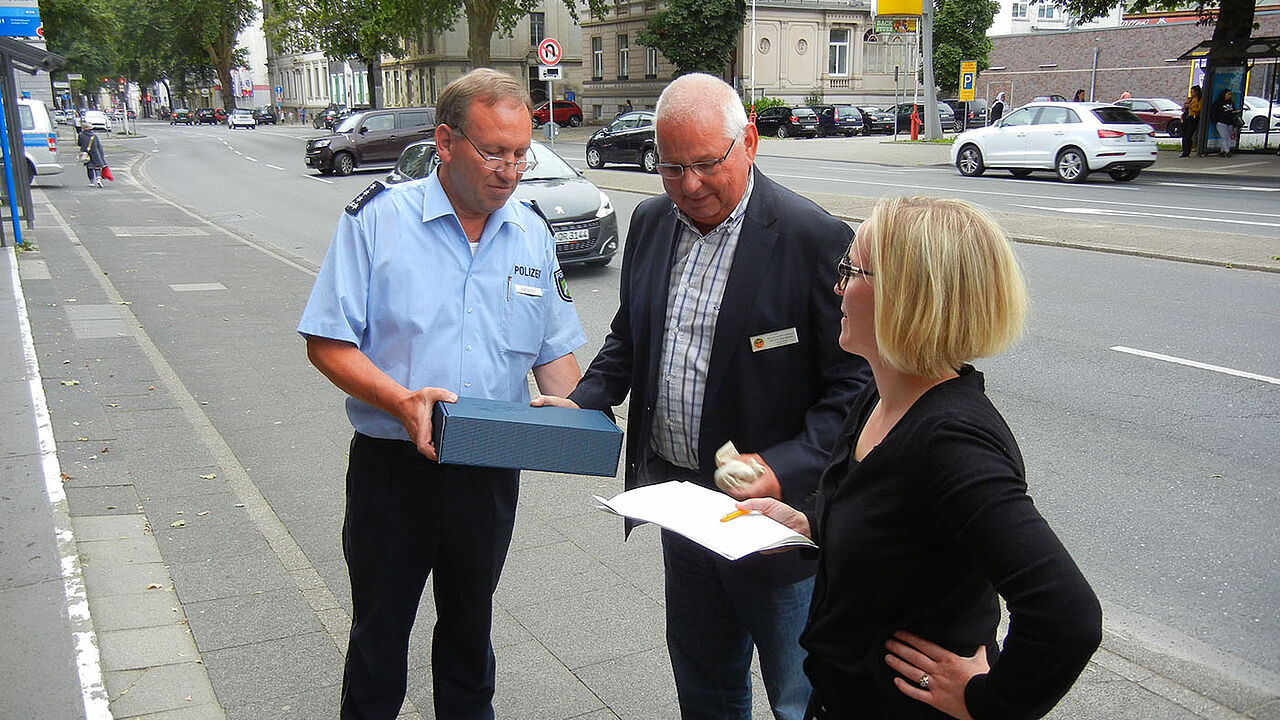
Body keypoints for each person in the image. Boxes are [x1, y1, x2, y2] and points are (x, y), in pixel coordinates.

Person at [534, 73, 871, 720]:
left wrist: (784, 469)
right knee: (706, 689)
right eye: (671, 167)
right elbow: (631, 337)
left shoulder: (814, 239)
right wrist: (585, 398)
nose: (689, 185)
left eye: (706, 164)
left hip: (778, 527)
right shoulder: (652, 221)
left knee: (802, 700)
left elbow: (854, 391)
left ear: (748, 142)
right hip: (684, 509)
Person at [736, 196, 1103, 720]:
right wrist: (806, 524)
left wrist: (986, 702)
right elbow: (896, 528)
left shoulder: (951, 441)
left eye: (852, 271)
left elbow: (1067, 615)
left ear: (908, 297)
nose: (837, 287)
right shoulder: (882, 396)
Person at [297, 68, 586, 720]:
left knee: (470, 637)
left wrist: (574, 417)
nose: (509, 171)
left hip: (488, 467)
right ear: (445, 142)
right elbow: (327, 341)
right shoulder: (378, 222)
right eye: (493, 152)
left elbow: (554, 355)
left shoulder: (531, 233)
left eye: (520, 154)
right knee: (378, 641)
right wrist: (400, 401)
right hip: (393, 471)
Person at [1211, 88, 1240, 157]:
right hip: (1221, 122)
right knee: (1224, 136)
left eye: (1230, 94)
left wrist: (1234, 113)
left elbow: (1233, 110)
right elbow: (1215, 113)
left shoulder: (1231, 102)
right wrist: (1216, 120)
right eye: (1228, 94)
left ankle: (1223, 150)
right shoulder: (1218, 103)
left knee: (1227, 137)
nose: (1229, 96)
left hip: (1229, 122)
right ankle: (1227, 151)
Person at [1180, 85, 1202, 157]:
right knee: (1184, 135)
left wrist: (1191, 107)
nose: (1191, 93)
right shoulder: (1190, 99)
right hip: (1186, 118)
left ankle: (1187, 151)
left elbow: (1199, 109)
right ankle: (1184, 151)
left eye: (1193, 92)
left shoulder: (1199, 99)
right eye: (1191, 92)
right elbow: (1184, 108)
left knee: (1188, 135)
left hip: (1193, 118)